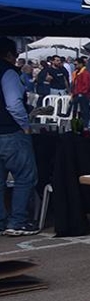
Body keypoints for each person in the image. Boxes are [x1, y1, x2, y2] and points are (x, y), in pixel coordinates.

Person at [0, 38, 38, 236]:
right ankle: (18, 221)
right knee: (24, 177)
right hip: (10, 133)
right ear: (8, 54)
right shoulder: (8, 73)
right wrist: (25, 126)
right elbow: (13, 103)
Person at [70, 57, 90, 123]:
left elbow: (86, 85)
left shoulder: (85, 73)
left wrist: (81, 93)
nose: (75, 66)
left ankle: (84, 125)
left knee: (84, 111)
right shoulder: (78, 73)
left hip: (83, 95)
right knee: (77, 111)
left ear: (81, 64)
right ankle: (77, 125)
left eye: (76, 64)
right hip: (77, 94)